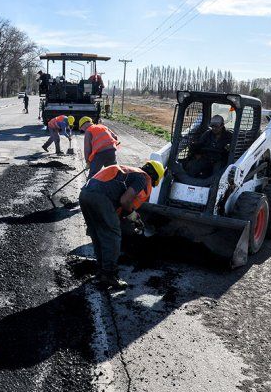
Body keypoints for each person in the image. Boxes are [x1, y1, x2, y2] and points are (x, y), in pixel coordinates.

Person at [79, 160, 165, 289]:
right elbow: (125, 200)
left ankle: (101, 271)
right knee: (112, 237)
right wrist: (132, 215)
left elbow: (117, 198)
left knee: (98, 234)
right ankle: (109, 276)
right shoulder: (142, 178)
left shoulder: (127, 171)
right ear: (153, 177)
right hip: (101, 198)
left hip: (85, 195)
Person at [176, 114, 233, 179]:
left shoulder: (229, 136)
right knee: (193, 167)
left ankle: (213, 186)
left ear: (222, 125)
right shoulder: (207, 134)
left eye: (216, 126)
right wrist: (197, 154)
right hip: (206, 157)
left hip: (220, 160)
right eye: (212, 126)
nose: (214, 129)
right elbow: (199, 145)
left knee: (218, 172)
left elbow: (231, 151)